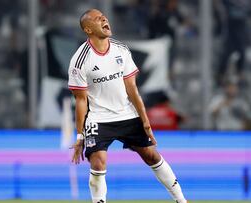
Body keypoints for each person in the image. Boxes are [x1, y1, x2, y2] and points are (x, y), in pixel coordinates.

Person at [68, 9, 187, 203]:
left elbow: (132, 89)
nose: (104, 19)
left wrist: (145, 121)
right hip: (98, 118)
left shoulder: (120, 49)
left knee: (151, 155)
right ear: (88, 29)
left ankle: (182, 200)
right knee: (98, 162)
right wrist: (80, 135)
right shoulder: (80, 60)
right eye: (98, 19)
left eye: (104, 16)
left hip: (126, 114)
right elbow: (81, 100)